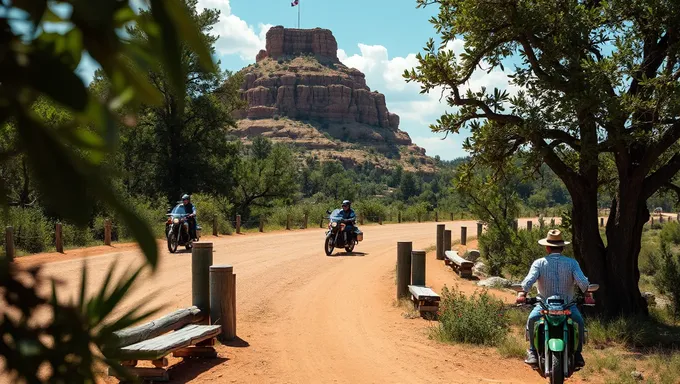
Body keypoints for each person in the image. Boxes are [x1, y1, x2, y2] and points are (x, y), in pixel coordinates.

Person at [517, 229, 590, 368]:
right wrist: (587, 292)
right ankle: (578, 354)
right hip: (568, 305)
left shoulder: (539, 263)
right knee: (579, 322)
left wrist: (522, 294)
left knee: (532, 320)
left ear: (547, 247)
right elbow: (583, 283)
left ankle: (532, 352)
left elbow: (528, 280)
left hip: (543, 304)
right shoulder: (572, 263)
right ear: (562, 247)